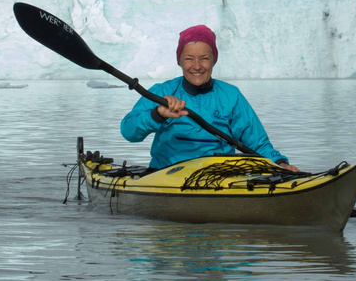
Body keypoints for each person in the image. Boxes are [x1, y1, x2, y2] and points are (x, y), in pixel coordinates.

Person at [120, 25, 299, 172]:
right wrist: (157, 114)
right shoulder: (162, 93)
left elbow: (257, 143)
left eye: (204, 58)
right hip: (166, 175)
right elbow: (129, 132)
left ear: (214, 60)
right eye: (189, 59)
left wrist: (279, 163)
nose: (197, 66)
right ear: (179, 61)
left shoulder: (230, 96)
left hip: (219, 177)